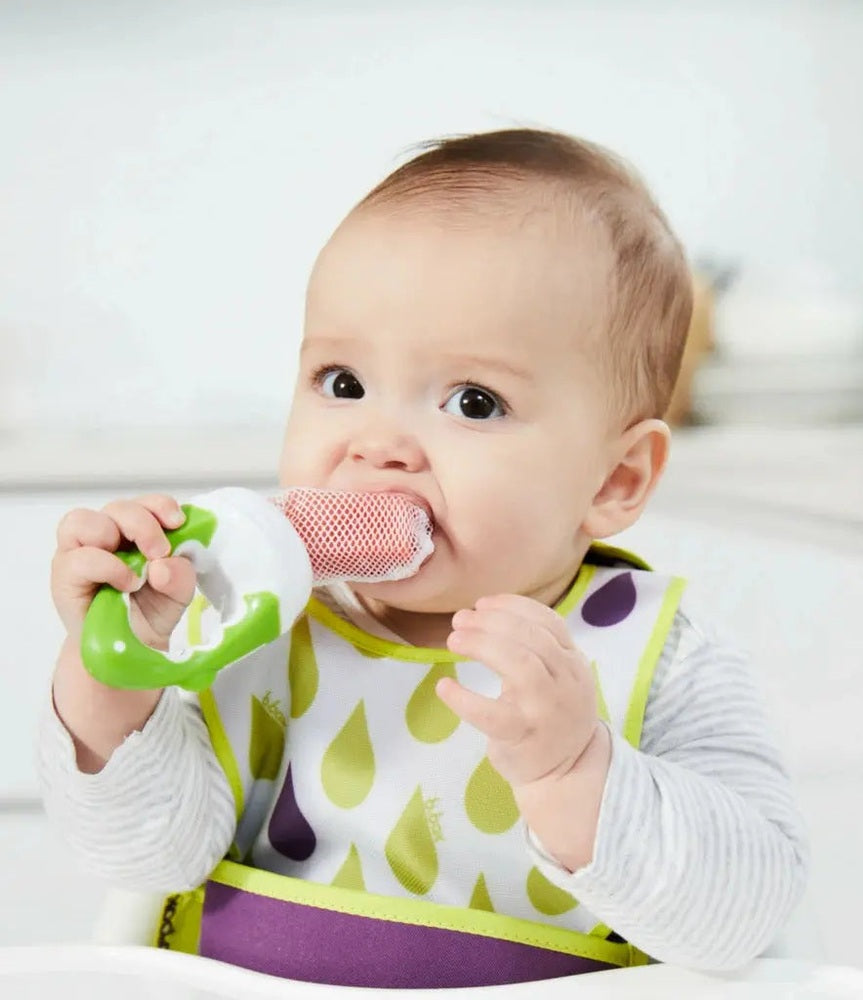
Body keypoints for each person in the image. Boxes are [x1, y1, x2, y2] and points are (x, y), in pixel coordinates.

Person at [38, 128, 809, 989]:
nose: (378, 444)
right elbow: (145, 858)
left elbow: (749, 913)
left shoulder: (657, 660)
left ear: (614, 479)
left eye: (473, 402)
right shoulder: (257, 621)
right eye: (342, 384)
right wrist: (114, 675)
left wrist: (574, 772)